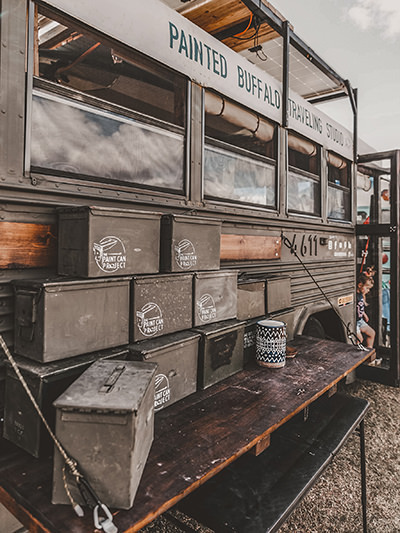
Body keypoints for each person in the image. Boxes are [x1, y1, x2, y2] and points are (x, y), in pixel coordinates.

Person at [356, 272, 375, 348]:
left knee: (372, 333)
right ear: (360, 285)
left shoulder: (361, 295)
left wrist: (363, 314)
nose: (368, 291)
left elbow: (359, 307)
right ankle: (356, 356)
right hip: (355, 322)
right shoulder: (355, 296)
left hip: (360, 320)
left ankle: (369, 353)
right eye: (367, 288)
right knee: (359, 339)